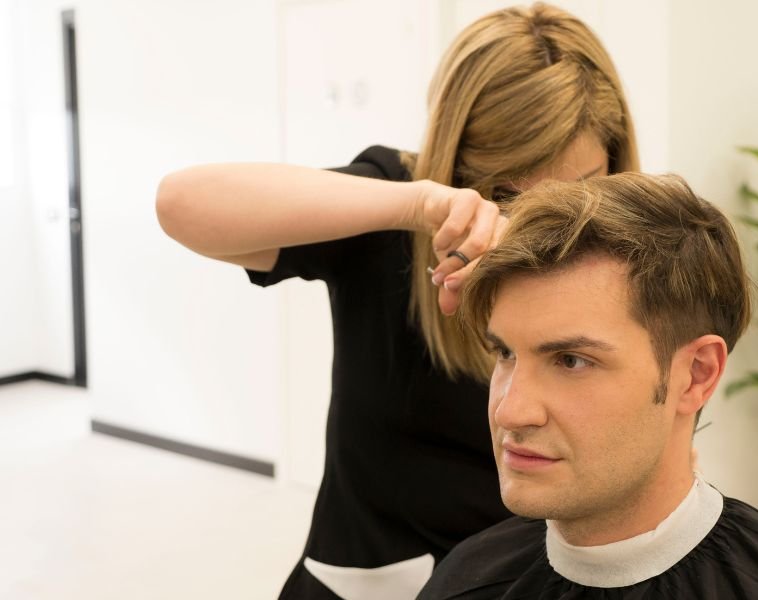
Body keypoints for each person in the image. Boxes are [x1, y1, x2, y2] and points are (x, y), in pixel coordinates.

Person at [155, 4, 638, 599]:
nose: (541, 229)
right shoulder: (396, 207)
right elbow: (181, 203)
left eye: (578, 190)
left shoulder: (616, 249)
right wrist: (415, 206)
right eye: (510, 193)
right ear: (461, 163)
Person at [417, 173, 758, 599]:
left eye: (571, 361)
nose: (510, 411)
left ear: (696, 374)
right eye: (505, 353)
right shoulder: (463, 581)